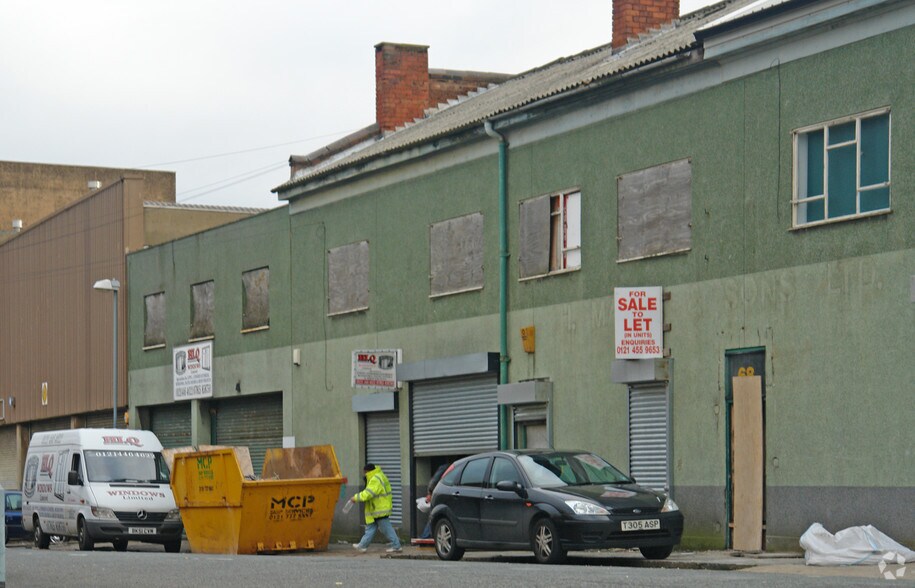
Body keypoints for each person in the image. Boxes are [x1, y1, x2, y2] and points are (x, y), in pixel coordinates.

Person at [351, 463, 402, 553]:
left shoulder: (375, 479)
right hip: (377, 508)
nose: (364, 474)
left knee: (386, 528)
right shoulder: (379, 475)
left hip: (379, 508)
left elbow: (368, 493)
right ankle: (362, 546)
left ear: (367, 471)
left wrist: (356, 497)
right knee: (371, 527)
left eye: (364, 472)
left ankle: (396, 546)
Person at [419, 462, 449, 539]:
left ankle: (427, 536)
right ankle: (426, 536)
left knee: (435, 516)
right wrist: (430, 493)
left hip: (441, 494)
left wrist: (430, 492)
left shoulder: (447, 468)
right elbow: (434, 481)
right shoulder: (447, 468)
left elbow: (434, 481)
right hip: (441, 494)